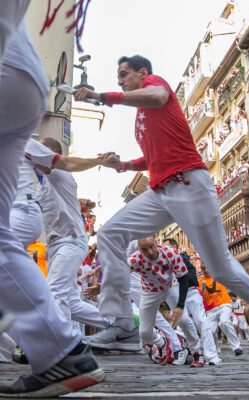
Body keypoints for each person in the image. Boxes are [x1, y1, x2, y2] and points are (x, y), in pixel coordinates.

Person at [74, 55, 249, 371]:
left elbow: (159, 97)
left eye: (124, 74)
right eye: (118, 77)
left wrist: (101, 97)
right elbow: (153, 156)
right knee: (110, 232)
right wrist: (123, 165)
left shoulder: (155, 86)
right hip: (161, 191)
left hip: (189, 184)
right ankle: (123, 323)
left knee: (221, 269)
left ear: (143, 73)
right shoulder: (141, 117)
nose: (120, 80)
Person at [0, 3, 104, 396]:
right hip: (24, 77)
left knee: (62, 292)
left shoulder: (48, 163)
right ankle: (61, 354)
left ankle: (115, 325)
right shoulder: (35, 155)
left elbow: (68, 161)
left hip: (9, 66)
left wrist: (100, 159)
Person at [36, 137, 110, 331]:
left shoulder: (59, 171)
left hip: (70, 241)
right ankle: (121, 325)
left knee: (54, 292)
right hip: (55, 246)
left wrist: (98, 160)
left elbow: (70, 162)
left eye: (39, 151)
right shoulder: (42, 183)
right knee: (72, 303)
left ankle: (60, 346)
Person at [128, 237, 203, 366]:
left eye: (152, 246)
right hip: (149, 292)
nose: (150, 252)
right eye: (145, 250)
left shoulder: (170, 254)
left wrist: (179, 307)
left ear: (157, 242)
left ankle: (197, 352)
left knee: (183, 319)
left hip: (170, 287)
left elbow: (183, 279)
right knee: (144, 333)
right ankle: (162, 342)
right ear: (139, 250)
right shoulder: (135, 259)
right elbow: (118, 273)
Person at [164, 239, 219, 367]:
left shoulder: (183, 258)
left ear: (175, 248)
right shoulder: (162, 263)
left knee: (201, 321)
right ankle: (196, 353)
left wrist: (177, 275)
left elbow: (192, 278)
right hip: (176, 295)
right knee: (183, 323)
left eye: (168, 247)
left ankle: (212, 356)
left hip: (191, 293)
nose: (165, 250)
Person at [198, 263, 243, 356]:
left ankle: (237, 347)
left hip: (224, 304)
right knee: (210, 330)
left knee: (224, 322)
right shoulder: (200, 281)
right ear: (201, 269)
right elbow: (199, 296)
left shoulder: (219, 275)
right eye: (203, 268)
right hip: (211, 309)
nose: (205, 270)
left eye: (207, 267)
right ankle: (216, 350)